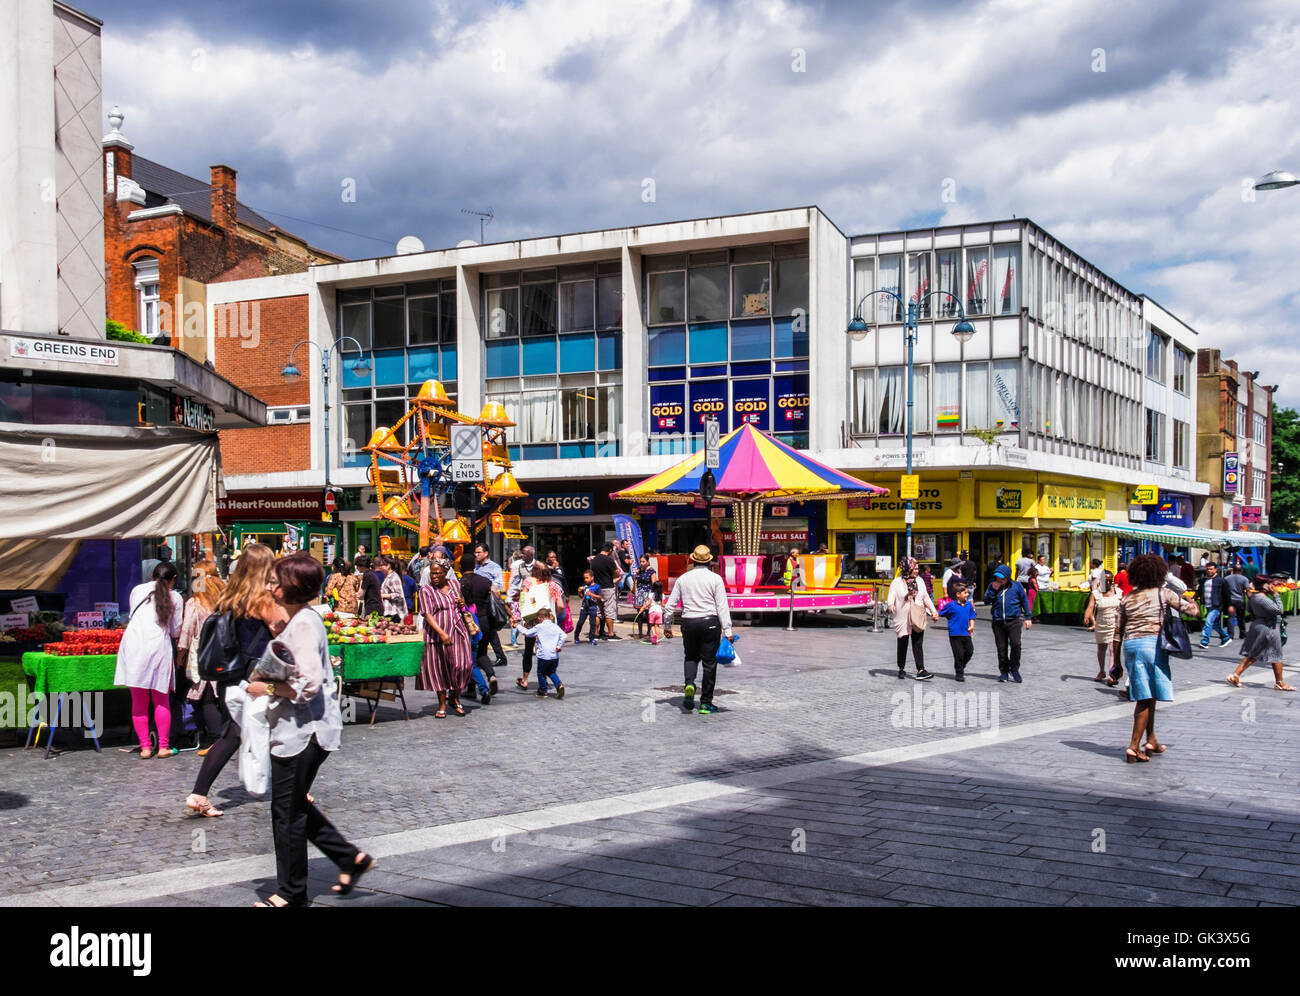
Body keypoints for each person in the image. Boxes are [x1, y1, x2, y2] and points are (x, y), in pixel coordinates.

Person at [245, 552, 372, 907]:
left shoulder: (304, 624)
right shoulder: (303, 619)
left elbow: (308, 684)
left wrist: (265, 688)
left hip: (303, 731)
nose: (270, 586)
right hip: (306, 729)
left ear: (292, 586)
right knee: (294, 803)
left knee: (286, 812)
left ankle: (291, 893)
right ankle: (348, 858)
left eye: (276, 581)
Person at [184, 543, 284, 818]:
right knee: (275, 727)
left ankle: (199, 793)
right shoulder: (261, 599)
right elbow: (282, 626)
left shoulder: (229, 596)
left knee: (234, 733)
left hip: (230, 676)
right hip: (255, 677)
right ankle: (294, 790)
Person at [1117, 554, 1199, 762]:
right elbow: (1194, 612)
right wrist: (1189, 598)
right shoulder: (1164, 593)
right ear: (1159, 573)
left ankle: (1151, 739)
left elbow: (1117, 632)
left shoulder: (1127, 597)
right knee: (1144, 698)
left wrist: (1115, 663)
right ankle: (1133, 746)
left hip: (1131, 645)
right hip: (1152, 646)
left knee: (1148, 694)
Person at [115, 561, 184, 759]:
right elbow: (175, 630)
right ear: (173, 579)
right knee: (161, 699)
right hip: (158, 647)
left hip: (134, 644)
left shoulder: (137, 590)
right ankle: (163, 747)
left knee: (139, 701)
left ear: (152, 576)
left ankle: (145, 748)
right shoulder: (176, 597)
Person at [663, 546, 733, 715]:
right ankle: (705, 703)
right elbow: (721, 606)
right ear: (710, 560)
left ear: (693, 560)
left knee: (691, 657)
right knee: (709, 663)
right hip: (710, 623)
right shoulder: (715, 579)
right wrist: (728, 630)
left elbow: (670, 605)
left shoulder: (683, 579)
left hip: (689, 622)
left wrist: (666, 626)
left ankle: (689, 684)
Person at [418, 561, 474, 718]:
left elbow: (461, 605)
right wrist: (441, 633)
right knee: (440, 669)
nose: (435, 577)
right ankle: (442, 703)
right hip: (437, 634)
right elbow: (427, 614)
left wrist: (462, 603)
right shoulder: (426, 590)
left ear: (445, 573)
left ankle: (454, 697)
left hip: (458, 630)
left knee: (464, 665)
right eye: (432, 573)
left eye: (438, 573)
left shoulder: (455, 584)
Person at [179, 561, 224, 749]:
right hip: (224, 653)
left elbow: (186, 633)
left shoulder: (195, 604)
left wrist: (179, 657)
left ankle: (216, 739)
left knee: (205, 699)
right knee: (218, 696)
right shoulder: (224, 599)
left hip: (203, 656)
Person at [1227, 576, 1295, 691]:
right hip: (1269, 629)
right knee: (1276, 655)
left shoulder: (1254, 597)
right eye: (1270, 584)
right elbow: (1279, 610)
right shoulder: (1263, 598)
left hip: (1260, 625)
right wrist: (1276, 595)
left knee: (1255, 654)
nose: (1272, 586)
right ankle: (1280, 683)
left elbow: (1249, 609)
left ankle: (1235, 675)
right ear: (1264, 586)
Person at [887, 556, 939, 681]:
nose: (916, 571)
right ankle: (901, 668)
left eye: (917, 568)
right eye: (914, 568)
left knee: (918, 643)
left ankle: (920, 670)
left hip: (917, 614)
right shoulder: (897, 582)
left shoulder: (920, 581)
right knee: (903, 642)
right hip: (903, 616)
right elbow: (891, 596)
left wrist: (933, 611)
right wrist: (891, 605)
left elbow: (925, 597)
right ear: (907, 568)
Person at [513, 564, 565, 689]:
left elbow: (523, 601)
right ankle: (545, 679)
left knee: (528, 650)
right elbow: (561, 606)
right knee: (546, 649)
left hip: (531, 622)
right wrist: (553, 616)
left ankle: (525, 679)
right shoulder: (554, 586)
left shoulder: (529, 583)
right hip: (548, 623)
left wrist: (520, 616)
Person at [458, 554, 498, 704]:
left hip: (468, 622)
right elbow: (496, 595)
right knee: (481, 652)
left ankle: (472, 689)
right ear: (474, 566)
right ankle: (490, 675)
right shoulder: (485, 581)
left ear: (461, 567)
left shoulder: (460, 584)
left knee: (470, 657)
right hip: (484, 620)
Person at [984, 564, 1032, 682]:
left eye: (1002, 577)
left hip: (1014, 621)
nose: (999, 579)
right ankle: (1004, 672)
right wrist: (993, 591)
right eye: (997, 577)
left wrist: (1028, 617)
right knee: (1001, 648)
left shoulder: (1017, 586)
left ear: (1007, 577)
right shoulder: (992, 586)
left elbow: (1024, 601)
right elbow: (986, 601)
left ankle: (1014, 669)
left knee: (1016, 645)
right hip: (998, 622)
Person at [471, 543, 508, 669]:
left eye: (479, 552)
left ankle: (488, 657)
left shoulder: (494, 567)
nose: (476, 555)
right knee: (489, 630)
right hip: (477, 602)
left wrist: (488, 586)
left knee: (488, 629)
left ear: (486, 553)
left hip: (487, 602)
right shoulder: (476, 567)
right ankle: (498, 656)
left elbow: (498, 585)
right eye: (475, 553)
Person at [518, 606, 566, 698]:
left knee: (541, 673)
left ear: (540, 617)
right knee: (552, 672)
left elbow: (527, 633)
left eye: (538, 619)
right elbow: (563, 635)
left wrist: (518, 626)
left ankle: (543, 691)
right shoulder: (555, 626)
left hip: (543, 655)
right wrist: (559, 646)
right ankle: (559, 685)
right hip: (554, 655)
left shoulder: (539, 627)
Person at [1083, 570, 1122, 683]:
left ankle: (1111, 675)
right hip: (1101, 624)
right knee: (1101, 649)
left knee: (1112, 649)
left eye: (1111, 581)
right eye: (1106, 581)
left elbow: (1124, 606)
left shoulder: (1118, 592)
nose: (1109, 583)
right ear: (1101, 581)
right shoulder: (1096, 593)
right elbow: (1091, 607)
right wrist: (1086, 616)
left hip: (1115, 624)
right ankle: (1101, 671)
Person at [939, 581, 977, 681]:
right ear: (958, 594)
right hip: (955, 634)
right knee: (959, 654)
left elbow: (972, 616)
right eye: (965, 593)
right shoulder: (951, 605)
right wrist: (938, 615)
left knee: (970, 651)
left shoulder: (969, 605)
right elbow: (942, 612)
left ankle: (961, 665)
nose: (967, 594)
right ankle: (959, 672)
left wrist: (971, 626)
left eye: (968, 593)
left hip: (966, 633)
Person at [589, 542, 621, 639]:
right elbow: (616, 574)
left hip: (597, 589)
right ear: (610, 550)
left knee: (598, 612)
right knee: (609, 611)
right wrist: (616, 577)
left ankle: (596, 633)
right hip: (608, 588)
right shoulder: (609, 560)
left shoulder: (594, 560)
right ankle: (611, 633)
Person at [1197, 562, 1231, 649]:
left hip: (1216, 606)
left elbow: (1226, 594)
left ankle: (1204, 641)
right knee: (1215, 624)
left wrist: (1228, 606)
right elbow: (1199, 591)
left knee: (1208, 622)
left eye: (1211, 569)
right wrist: (1194, 597)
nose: (1209, 571)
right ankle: (1225, 637)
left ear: (1215, 569)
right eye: (1208, 569)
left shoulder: (1221, 581)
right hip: (1208, 605)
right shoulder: (1204, 580)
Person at [575, 569, 603, 645]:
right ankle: (576, 636)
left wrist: (592, 595)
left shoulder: (596, 586)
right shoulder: (584, 586)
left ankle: (592, 638)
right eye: (584, 578)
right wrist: (579, 591)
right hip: (584, 606)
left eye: (587, 578)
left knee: (592, 623)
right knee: (580, 622)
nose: (585, 580)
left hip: (593, 606)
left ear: (592, 577)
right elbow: (581, 596)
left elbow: (600, 597)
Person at [632, 553, 657, 639]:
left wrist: (653, 596)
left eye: (643, 561)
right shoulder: (639, 570)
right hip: (639, 593)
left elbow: (654, 584)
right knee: (639, 614)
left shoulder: (652, 571)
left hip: (647, 593)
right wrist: (636, 575)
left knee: (648, 613)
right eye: (640, 561)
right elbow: (636, 582)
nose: (641, 563)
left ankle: (648, 633)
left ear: (647, 561)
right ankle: (640, 632)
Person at [1223, 564, 1250, 640]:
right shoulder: (1244, 579)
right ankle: (1242, 633)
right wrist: (1251, 599)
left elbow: (1224, 590)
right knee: (1241, 618)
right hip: (1240, 600)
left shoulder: (1226, 578)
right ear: (1241, 571)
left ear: (1233, 570)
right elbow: (1247, 590)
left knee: (1231, 617)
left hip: (1230, 601)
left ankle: (1230, 635)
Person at [647, 580, 665, 645]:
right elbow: (663, 604)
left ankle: (653, 634)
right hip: (659, 612)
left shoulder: (651, 594)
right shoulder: (662, 595)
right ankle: (656, 639)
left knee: (652, 625)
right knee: (657, 626)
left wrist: (643, 608)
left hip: (652, 611)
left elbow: (649, 603)